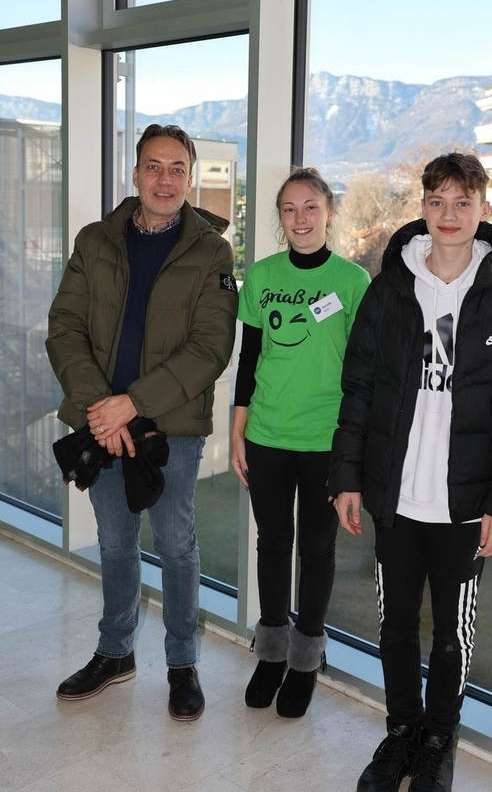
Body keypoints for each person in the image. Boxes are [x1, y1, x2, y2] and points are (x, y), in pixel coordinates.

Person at [328, 153, 492, 792]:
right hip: (396, 497)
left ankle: (437, 741)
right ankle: (401, 731)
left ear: (483, 210)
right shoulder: (389, 290)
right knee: (395, 626)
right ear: (423, 207)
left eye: (462, 202)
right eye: (437, 201)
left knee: (452, 635)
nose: (448, 214)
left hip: (466, 505)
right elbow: (358, 390)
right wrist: (347, 477)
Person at [46, 123, 238, 722]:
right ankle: (115, 653)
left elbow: (212, 347)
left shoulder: (212, 251)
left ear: (190, 178)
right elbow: (65, 327)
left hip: (170, 427)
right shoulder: (95, 240)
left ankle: (182, 663)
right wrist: (100, 409)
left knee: (176, 544)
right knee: (114, 541)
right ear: (135, 173)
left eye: (178, 168)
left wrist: (132, 403)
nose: (165, 179)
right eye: (154, 166)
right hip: (101, 423)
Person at [231, 167, 370, 718]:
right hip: (266, 434)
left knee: (316, 548)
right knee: (271, 543)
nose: (300, 218)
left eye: (310, 206)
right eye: (289, 208)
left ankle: (306, 660)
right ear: (279, 217)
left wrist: (354, 449)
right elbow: (249, 360)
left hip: (324, 440)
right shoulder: (261, 276)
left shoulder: (353, 282)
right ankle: (270, 654)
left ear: (329, 212)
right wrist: (238, 431)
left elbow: (364, 374)